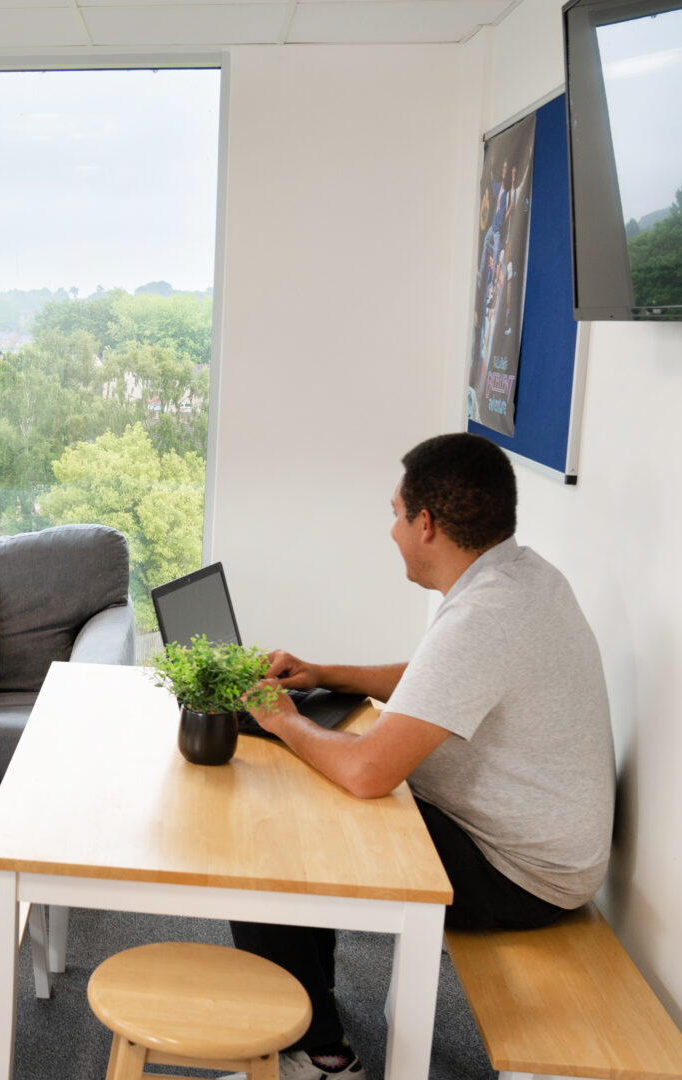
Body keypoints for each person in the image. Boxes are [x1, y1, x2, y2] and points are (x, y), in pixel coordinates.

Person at [232, 432, 615, 1080]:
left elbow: (367, 771)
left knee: (279, 835)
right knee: (310, 795)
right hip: (523, 842)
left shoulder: (487, 615)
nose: (391, 530)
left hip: (518, 876)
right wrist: (327, 673)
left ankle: (316, 1057)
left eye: (394, 513)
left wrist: (281, 722)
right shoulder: (518, 576)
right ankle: (316, 1024)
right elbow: (437, 676)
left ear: (427, 524)